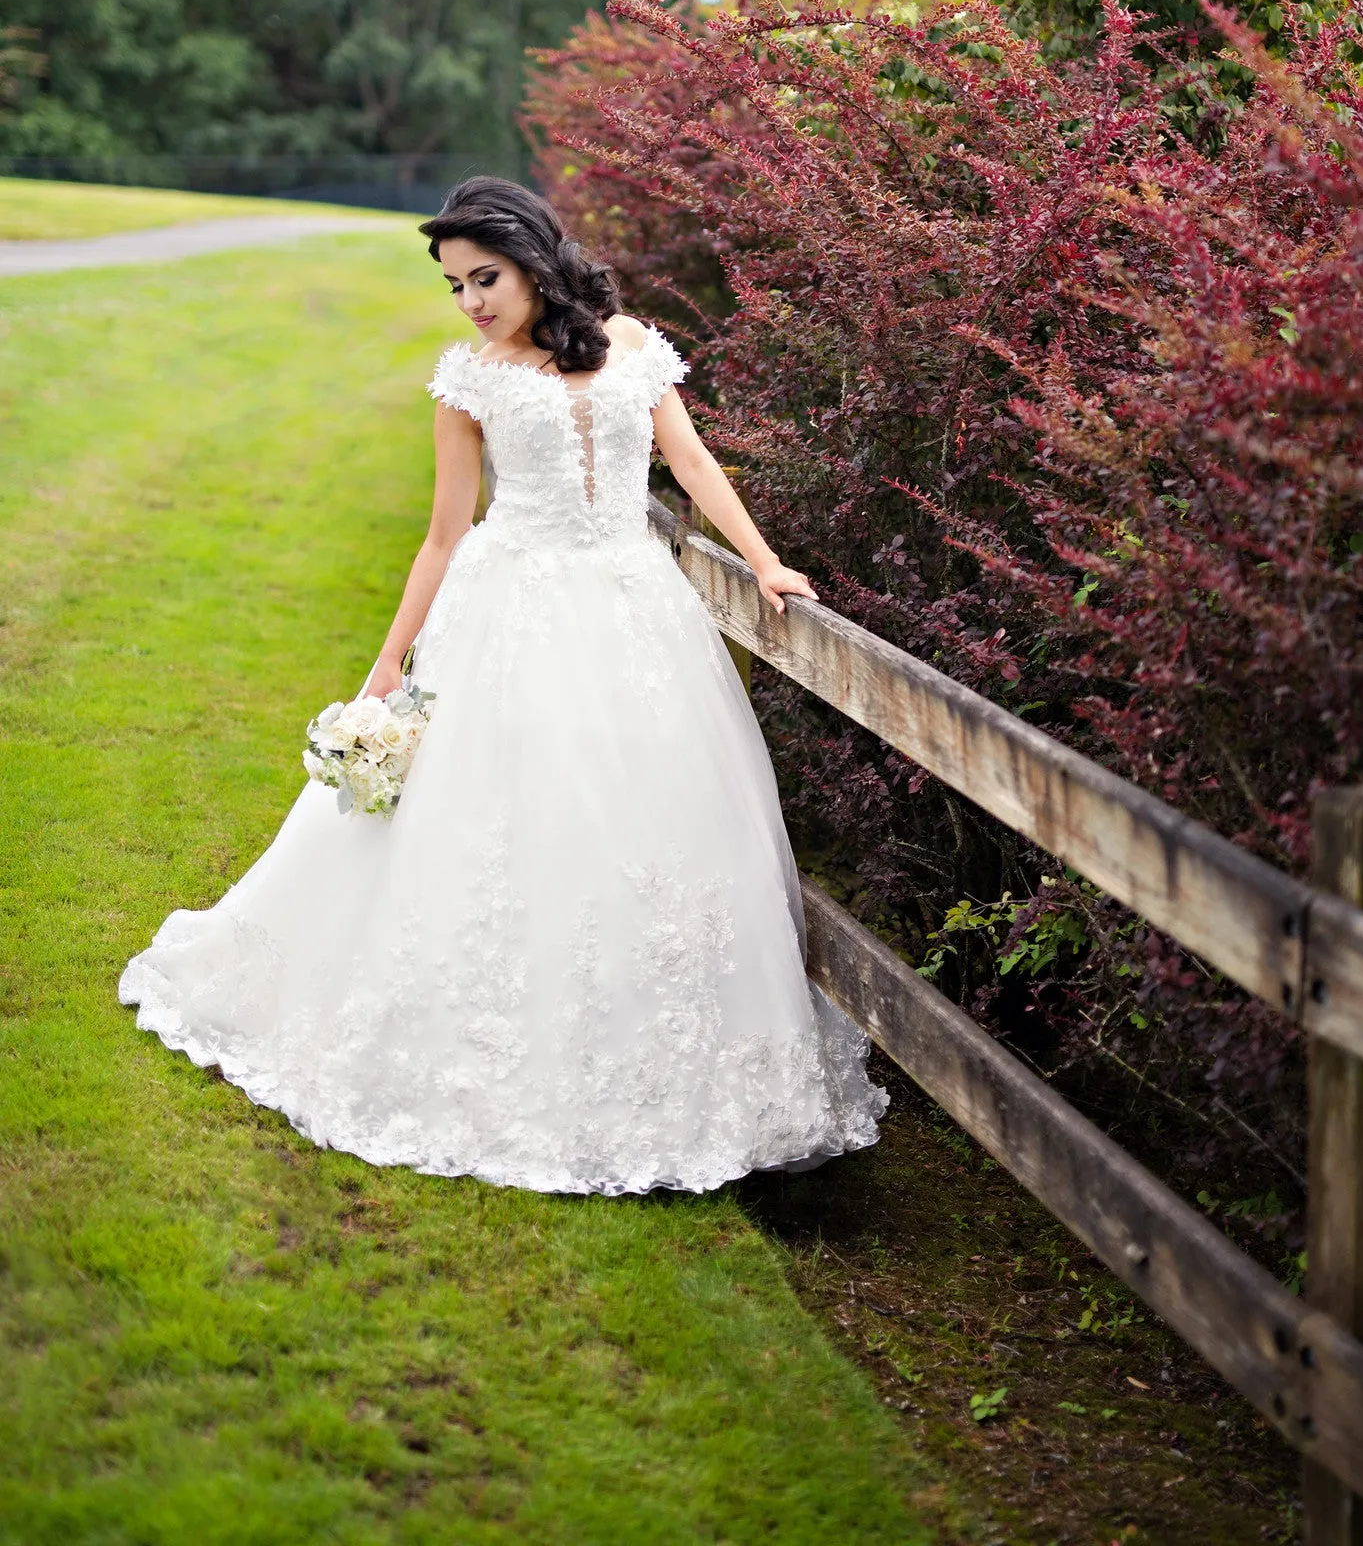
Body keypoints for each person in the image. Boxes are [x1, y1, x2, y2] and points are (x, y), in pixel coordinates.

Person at [120, 177, 887, 1194]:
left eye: (485, 277)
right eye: (454, 285)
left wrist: (766, 559)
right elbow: (444, 534)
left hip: (631, 610)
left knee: (654, 823)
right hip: (510, 612)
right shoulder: (467, 381)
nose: (471, 300)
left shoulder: (632, 347)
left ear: (534, 260)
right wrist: (390, 661)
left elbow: (692, 463)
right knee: (508, 819)